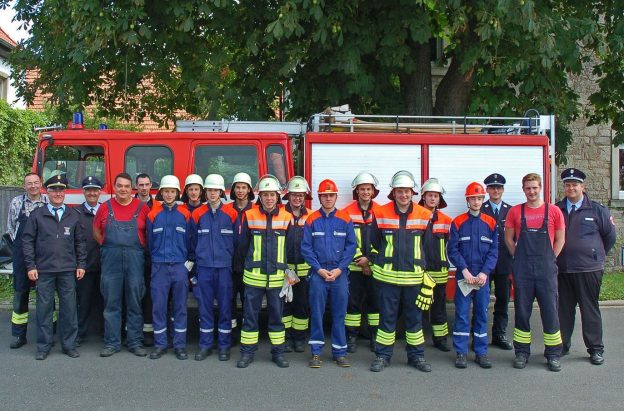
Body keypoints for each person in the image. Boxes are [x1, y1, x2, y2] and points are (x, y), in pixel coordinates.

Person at [369, 170, 433, 373]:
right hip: (387, 279)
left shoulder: (424, 215)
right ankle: (382, 356)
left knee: (414, 320)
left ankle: (417, 356)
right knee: (386, 318)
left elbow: (427, 247)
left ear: (412, 192)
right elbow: (374, 241)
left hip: (413, 279)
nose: (403, 195)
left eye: (406, 191)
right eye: (399, 191)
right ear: (393, 193)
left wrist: (426, 279)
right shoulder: (380, 213)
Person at [504, 173, 565, 372]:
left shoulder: (554, 211)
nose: (531, 191)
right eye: (528, 188)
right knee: (522, 312)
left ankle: (553, 354)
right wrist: (518, 258)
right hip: (523, 270)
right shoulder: (515, 212)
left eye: (535, 188)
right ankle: (521, 352)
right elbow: (509, 240)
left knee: (550, 311)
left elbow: (560, 240)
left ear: (541, 188)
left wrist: (550, 259)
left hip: (546, 269)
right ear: (524, 189)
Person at [22, 174, 87, 360]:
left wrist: (81, 264)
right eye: (53, 190)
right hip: (44, 270)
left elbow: (80, 243)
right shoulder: (37, 215)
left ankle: (68, 345)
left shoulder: (73, 215)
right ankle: (43, 346)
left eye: (61, 190)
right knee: (44, 310)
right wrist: (30, 266)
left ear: (65, 192)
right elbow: (27, 242)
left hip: (67, 270)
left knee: (69, 310)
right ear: (47, 192)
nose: (58, 194)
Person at [555, 168, 616, 365]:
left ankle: (595, 349)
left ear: (583, 186)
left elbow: (610, 237)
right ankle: (562, 345)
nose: (571, 187)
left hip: (588, 269)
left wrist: (595, 255)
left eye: (575, 184)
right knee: (563, 309)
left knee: (589, 309)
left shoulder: (597, 210)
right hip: (563, 269)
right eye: (567, 184)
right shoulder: (557, 210)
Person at [236, 174, 291, 369]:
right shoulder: (250, 215)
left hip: (277, 279)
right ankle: (247, 353)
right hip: (253, 277)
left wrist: (289, 274)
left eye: (272, 195)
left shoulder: (286, 217)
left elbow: (290, 249)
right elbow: (242, 247)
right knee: (250, 317)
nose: (269, 198)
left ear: (278, 196)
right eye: (265, 195)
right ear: (260, 196)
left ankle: (278, 353)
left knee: (277, 317)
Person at [94, 172, 150, 357]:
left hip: (135, 259)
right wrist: (108, 246)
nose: (123, 189)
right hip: (111, 259)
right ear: (114, 187)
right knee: (111, 303)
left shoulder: (142, 208)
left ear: (131, 188)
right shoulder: (104, 207)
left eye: (127, 186)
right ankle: (112, 343)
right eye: (120, 186)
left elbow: (149, 234)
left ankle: (134, 342)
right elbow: (96, 232)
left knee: (135, 302)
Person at [302, 179, 357, 368]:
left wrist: (340, 269)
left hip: (339, 274)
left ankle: (339, 352)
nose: (327, 198)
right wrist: (319, 269)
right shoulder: (311, 220)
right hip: (319, 274)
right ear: (319, 197)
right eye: (324, 195)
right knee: (316, 314)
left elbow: (351, 246)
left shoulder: (345, 218)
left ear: (335, 197)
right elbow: (306, 248)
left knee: (339, 314)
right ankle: (316, 353)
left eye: (331, 195)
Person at [448, 182, 498, 369]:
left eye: (479, 198)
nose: (476, 202)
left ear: (483, 199)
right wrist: (465, 271)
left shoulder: (491, 223)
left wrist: (485, 273)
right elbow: (452, 250)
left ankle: (481, 352)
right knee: (461, 314)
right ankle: (461, 352)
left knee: (481, 314)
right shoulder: (458, 222)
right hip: (465, 277)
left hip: (482, 278)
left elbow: (494, 252)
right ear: (467, 200)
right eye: (472, 199)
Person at [190, 174, 237, 361]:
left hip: (224, 268)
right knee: (204, 308)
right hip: (204, 268)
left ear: (221, 192)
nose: (212, 193)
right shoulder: (197, 214)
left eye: (215, 190)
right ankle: (205, 345)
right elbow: (191, 242)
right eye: (209, 190)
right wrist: (194, 268)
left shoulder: (231, 214)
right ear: (205, 192)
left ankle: (224, 346)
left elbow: (237, 243)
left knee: (225, 307)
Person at [146, 175, 193, 360]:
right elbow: (150, 243)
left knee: (180, 307)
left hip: (180, 267)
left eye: (172, 191)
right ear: (161, 193)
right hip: (159, 267)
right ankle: (160, 344)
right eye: (166, 191)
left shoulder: (186, 215)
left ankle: (179, 345)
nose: (169, 194)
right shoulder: (153, 215)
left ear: (177, 193)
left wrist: (188, 264)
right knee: (159, 307)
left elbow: (191, 241)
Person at [7, 172, 48, 349]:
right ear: (24, 186)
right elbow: (11, 229)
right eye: (29, 183)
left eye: (36, 182)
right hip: (22, 255)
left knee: (45, 294)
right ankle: (19, 335)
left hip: (44, 254)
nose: (33, 186)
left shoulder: (48, 202)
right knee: (20, 293)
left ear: (41, 184)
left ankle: (49, 332)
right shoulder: (17, 203)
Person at [343, 172, 381, 353]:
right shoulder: (347, 213)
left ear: (373, 191)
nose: (365, 192)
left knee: (375, 304)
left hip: (376, 268)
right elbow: (347, 241)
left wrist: (370, 260)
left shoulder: (381, 212)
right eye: (362, 189)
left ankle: (375, 336)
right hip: (354, 267)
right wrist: (362, 261)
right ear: (356, 191)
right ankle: (351, 336)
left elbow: (383, 241)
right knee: (353, 303)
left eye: (368, 189)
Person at [418, 178, 453, 352]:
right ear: (423, 196)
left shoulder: (446, 220)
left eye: (436, 196)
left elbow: (449, 245)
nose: (433, 199)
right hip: (419, 271)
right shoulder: (415, 216)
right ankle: (418, 339)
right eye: (430, 195)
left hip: (439, 271)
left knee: (439, 306)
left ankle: (440, 339)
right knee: (419, 306)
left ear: (440, 199)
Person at [481, 173, 514, 350]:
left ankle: (499, 335)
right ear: (487, 190)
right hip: (483, 263)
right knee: (481, 300)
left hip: (503, 263)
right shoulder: (480, 208)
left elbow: (515, 237)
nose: (495, 190)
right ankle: (478, 333)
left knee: (502, 300)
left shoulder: (511, 211)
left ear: (502, 190)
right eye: (492, 187)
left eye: (499, 187)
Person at [222, 172, 255, 340]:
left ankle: (246, 333)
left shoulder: (256, 211)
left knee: (248, 301)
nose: (241, 190)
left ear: (249, 190)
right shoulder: (226, 210)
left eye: (244, 187)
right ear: (233, 190)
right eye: (238, 187)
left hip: (249, 266)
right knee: (229, 301)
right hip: (229, 264)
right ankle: (232, 334)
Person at [281, 176, 312, 353]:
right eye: (294, 195)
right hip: (286, 269)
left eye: (301, 195)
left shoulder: (311, 217)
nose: (297, 198)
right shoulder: (280, 214)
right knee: (285, 304)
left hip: (304, 270)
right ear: (288, 196)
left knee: (302, 304)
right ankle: (284, 337)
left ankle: (299, 338)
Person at [73, 176, 104, 346]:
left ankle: (105, 333)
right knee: (83, 303)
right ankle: (80, 334)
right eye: (89, 190)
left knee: (105, 302)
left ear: (100, 192)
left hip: (104, 266)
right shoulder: (75, 213)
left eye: (95, 190)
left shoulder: (106, 211)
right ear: (84, 192)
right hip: (84, 267)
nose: (92, 193)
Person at [135, 173, 155, 346]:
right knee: (132, 293)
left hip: (151, 256)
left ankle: (148, 332)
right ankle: (131, 332)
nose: (143, 188)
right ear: (136, 186)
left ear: (150, 186)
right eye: (140, 185)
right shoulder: (129, 204)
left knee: (149, 295)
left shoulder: (156, 206)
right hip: (134, 255)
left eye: (146, 184)